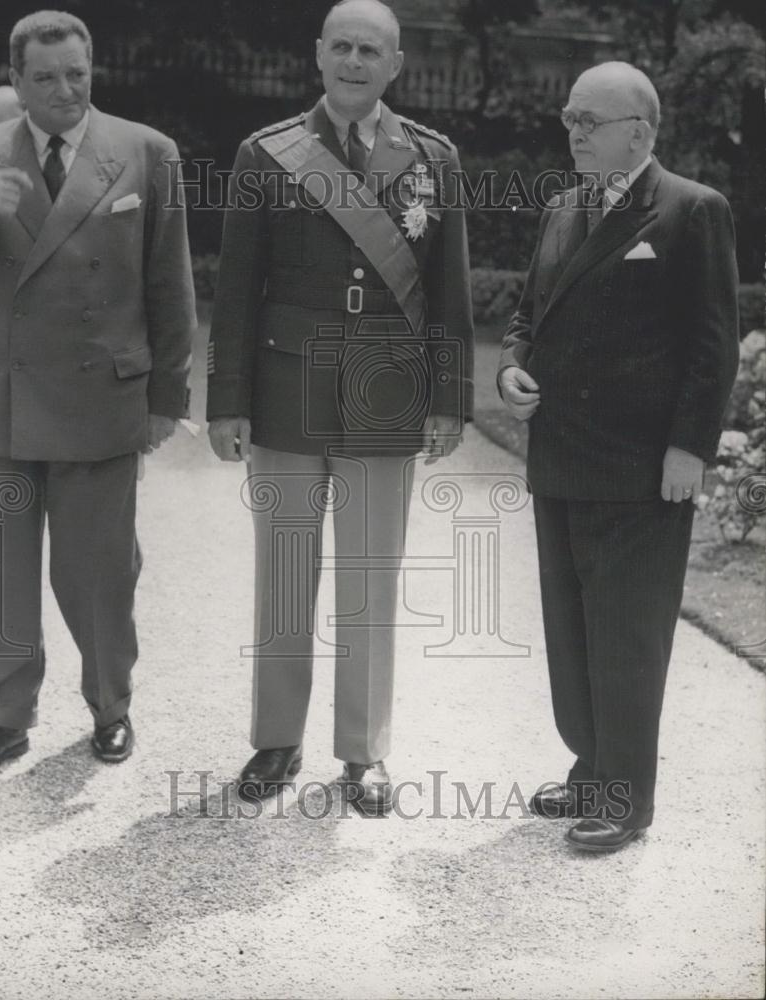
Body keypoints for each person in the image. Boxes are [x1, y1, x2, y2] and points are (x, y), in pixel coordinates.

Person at [0, 10, 196, 779]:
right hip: (4, 400)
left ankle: (110, 706)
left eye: (77, 74)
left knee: (98, 573)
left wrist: (167, 396)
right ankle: (1, 720)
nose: (64, 90)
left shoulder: (144, 151)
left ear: (92, 70)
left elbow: (171, 286)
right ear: (16, 81)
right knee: (5, 571)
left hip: (104, 398)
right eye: (45, 78)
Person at [207, 0, 474, 815]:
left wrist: (449, 398)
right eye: (343, 47)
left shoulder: (432, 157)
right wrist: (227, 401)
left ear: (395, 66)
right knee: (284, 576)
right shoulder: (266, 153)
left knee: (368, 581)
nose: (356, 62)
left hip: (386, 398)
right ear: (319, 56)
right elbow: (234, 290)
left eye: (372, 51)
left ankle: (362, 753)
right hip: (286, 394)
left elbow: (448, 290)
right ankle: (275, 741)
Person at [499, 62, 739, 852]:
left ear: (637, 131)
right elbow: (527, 316)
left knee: (627, 633)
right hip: (560, 459)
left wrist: (687, 449)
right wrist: (511, 370)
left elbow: (711, 348)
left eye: (587, 121)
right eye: (568, 118)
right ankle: (590, 769)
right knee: (571, 629)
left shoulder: (689, 210)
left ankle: (625, 799)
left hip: (641, 469)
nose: (572, 132)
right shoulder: (563, 208)